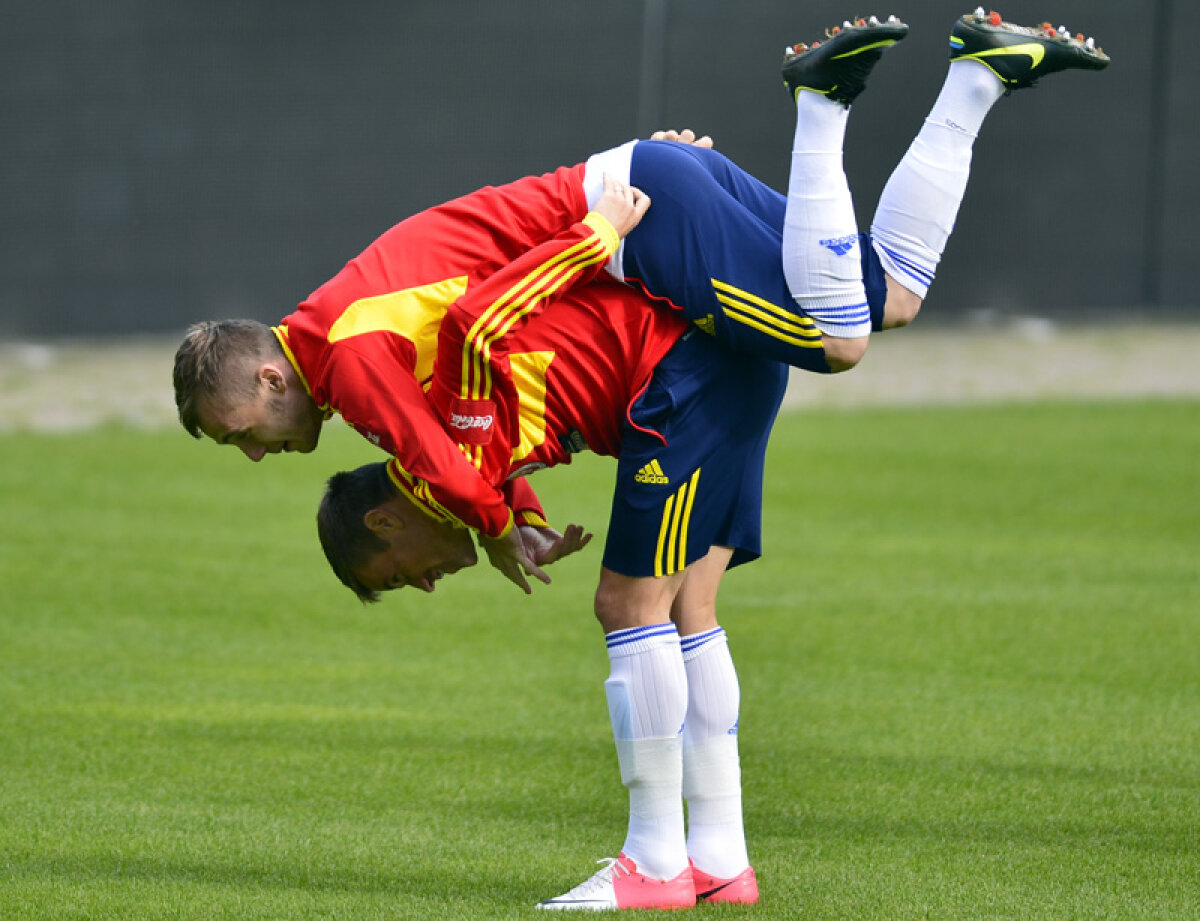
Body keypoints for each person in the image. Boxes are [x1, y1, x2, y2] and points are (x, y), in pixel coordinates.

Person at [173, 9, 1109, 910]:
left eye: (237, 431)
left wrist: (502, 528)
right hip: (653, 236)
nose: (254, 454)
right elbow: (476, 436)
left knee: (834, 347)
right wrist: (520, 518)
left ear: (264, 376)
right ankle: (979, 78)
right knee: (884, 295)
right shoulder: (363, 353)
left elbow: (460, 411)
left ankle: (656, 861)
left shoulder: (346, 356)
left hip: (647, 259)